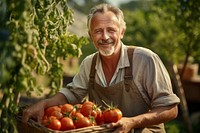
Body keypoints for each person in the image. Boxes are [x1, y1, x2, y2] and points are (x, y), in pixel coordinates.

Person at [22, 3, 180, 133]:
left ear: (122, 32)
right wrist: (44, 103)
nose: (105, 37)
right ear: (91, 36)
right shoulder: (89, 64)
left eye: (111, 30)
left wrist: (132, 122)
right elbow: (71, 94)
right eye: (98, 31)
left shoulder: (145, 59)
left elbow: (170, 109)